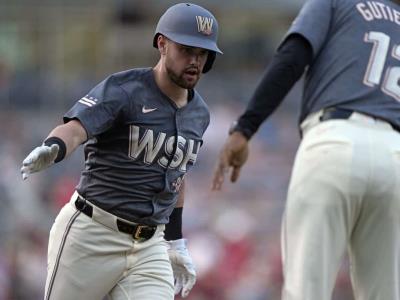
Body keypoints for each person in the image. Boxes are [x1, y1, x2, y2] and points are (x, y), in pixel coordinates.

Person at [21, 3, 222, 300]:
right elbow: (76, 129)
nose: (195, 60)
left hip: (149, 247)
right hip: (92, 233)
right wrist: (54, 147)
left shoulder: (200, 114)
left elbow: (177, 177)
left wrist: (176, 240)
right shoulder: (125, 89)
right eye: (186, 49)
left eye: (202, 53)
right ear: (162, 44)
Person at [212, 0, 400, 299]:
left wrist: (245, 128)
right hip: (395, 155)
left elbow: (292, 57)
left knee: (306, 290)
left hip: (335, 140)